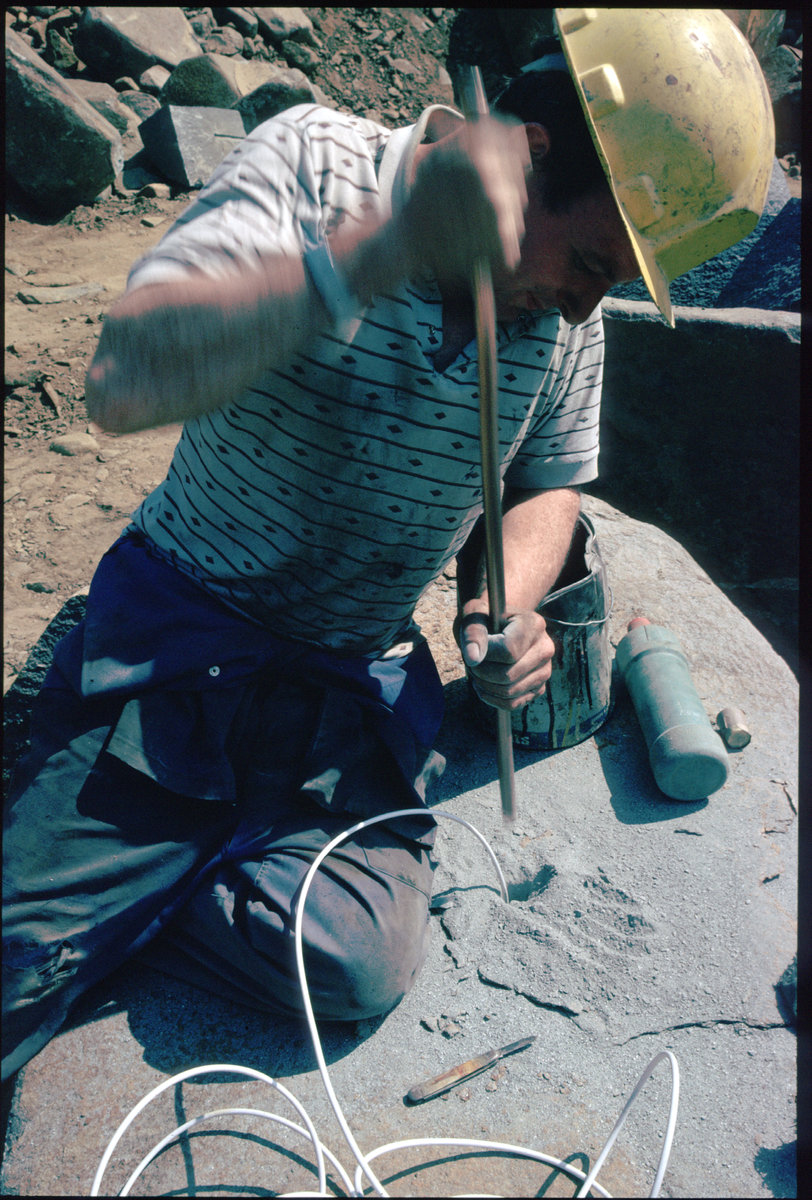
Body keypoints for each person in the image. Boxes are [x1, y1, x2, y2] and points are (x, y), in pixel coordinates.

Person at [2, 10, 773, 1082]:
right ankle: (110, 853)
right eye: (594, 261)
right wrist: (385, 245)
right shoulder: (314, 166)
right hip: (178, 637)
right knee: (16, 963)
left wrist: (499, 609)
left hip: (343, 679)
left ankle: (142, 876)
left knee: (357, 963)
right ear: (528, 156)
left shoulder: (564, 322)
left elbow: (545, 484)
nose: (583, 305)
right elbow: (124, 378)